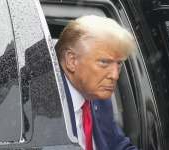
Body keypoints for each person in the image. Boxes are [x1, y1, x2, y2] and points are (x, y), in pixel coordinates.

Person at [55, 15, 137, 150]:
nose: (115, 75)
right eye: (104, 62)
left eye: (119, 63)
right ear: (71, 60)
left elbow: (117, 145)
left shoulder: (97, 97)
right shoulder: (44, 105)